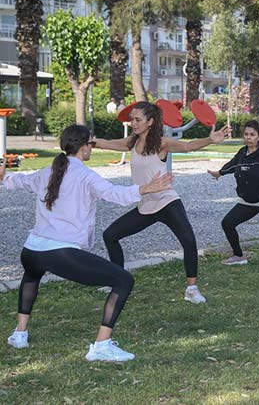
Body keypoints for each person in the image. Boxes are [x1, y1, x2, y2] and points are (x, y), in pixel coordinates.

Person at [1, 125, 173, 362]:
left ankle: (20, 334)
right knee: (124, 280)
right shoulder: (85, 176)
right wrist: (147, 189)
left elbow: (20, 181)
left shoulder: (49, 170)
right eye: (90, 143)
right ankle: (101, 346)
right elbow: (116, 195)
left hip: (31, 250)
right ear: (83, 148)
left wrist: (4, 177)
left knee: (31, 277)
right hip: (59, 253)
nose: (92, 147)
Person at [92, 101, 230, 303]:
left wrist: (210, 139)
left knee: (189, 241)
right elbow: (106, 143)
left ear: (150, 121)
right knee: (110, 235)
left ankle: (192, 289)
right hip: (146, 205)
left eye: (137, 119)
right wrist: (88, 141)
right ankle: (117, 281)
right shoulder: (132, 142)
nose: (133, 123)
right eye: (132, 119)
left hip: (167, 202)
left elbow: (187, 146)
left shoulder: (161, 143)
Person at [208, 120, 259, 268]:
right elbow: (233, 165)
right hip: (248, 201)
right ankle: (238, 255)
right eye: (246, 134)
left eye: (252, 134)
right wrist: (219, 173)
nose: (248, 137)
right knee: (227, 223)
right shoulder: (242, 153)